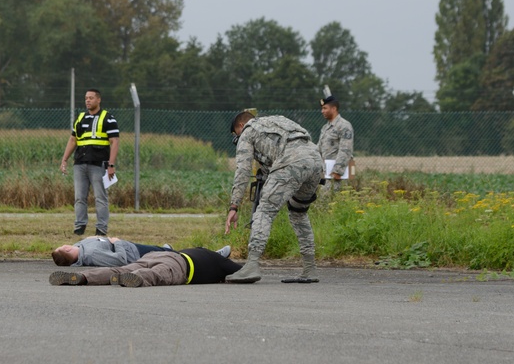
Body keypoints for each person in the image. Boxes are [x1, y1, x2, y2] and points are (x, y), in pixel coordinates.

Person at [224, 112, 323, 284]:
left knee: (264, 211)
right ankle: (309, 268)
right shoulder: (277, 120)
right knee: (298, 212)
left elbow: (242, 171)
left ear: (240, 126)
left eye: (236, 134)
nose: (237, 138)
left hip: (291, 162)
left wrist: (234, 206)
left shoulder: (247, 131)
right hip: (315, 160)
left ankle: (252, 265)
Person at [59, 88, 119, 236]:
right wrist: (64, 159)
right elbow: (73, 140)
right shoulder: (80, 118)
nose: (88, 100)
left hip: (98, 164)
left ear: (98, 100)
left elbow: (114, 142)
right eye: (86, 98)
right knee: (79, 197)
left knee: (100, 198)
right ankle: (80, 226)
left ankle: (101, 228)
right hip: (80, 163)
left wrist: (111, 164)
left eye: (91, 98)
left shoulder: (108, 118)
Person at [49, 247, 241, 287]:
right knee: (158, 274)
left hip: (157, 254)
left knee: (121, 269)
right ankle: (137, 278)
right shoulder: (220, 260)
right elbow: (243, 272)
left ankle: (84, 277)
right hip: (180, 264)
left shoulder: (201, 250)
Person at [51, 236, 231, 268]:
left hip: (133, 247)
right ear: (66, 249)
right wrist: (117, 242)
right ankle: (214, 256)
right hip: (133, 253)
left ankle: (165, 250)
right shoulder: (91, 255)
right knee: (176, 256)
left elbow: (82, 243)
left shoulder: (79, 248)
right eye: (63, 246)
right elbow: (120, 260)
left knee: (166, 251)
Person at [318, 95, 354, 192]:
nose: (322, 111)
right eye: (322, 108)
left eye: (325, 108)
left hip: (338, 176)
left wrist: (337, 171)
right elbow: (319, 150)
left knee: (337, 203)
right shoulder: (325, 128)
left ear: (334, 109)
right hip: (326, 174)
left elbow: (346, 150)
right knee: (324, 203)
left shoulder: (344, 126)